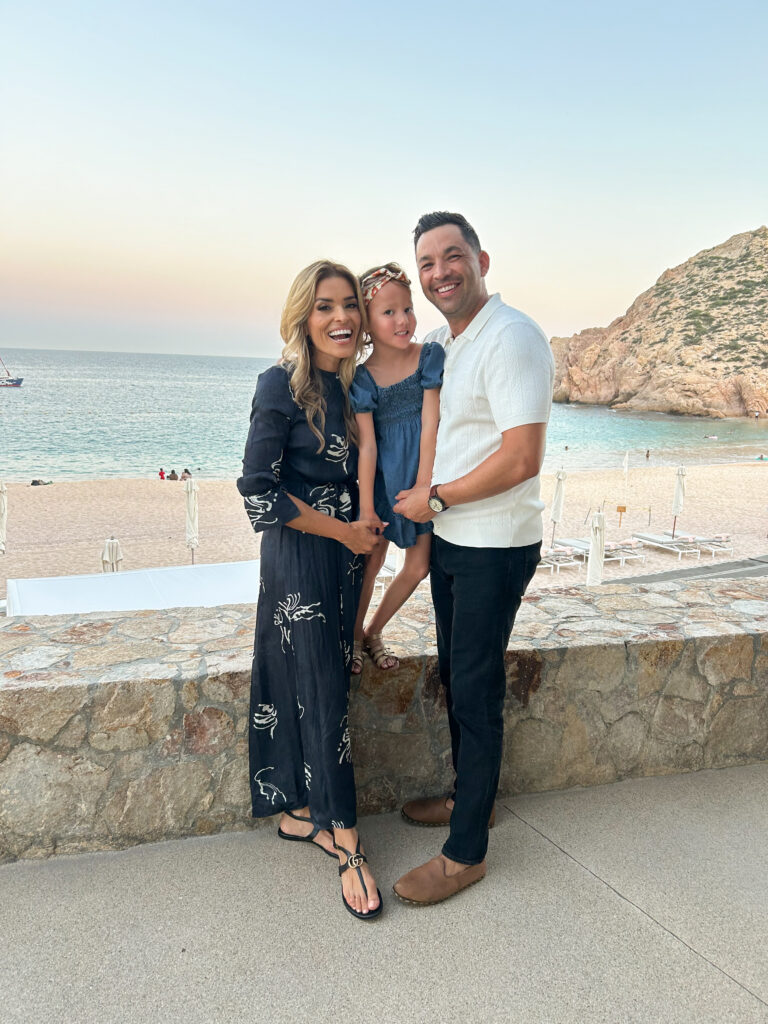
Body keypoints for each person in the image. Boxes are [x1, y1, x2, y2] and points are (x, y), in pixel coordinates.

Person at [391, 211, 555, 905]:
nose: (440, 273)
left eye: (452, 256)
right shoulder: (440, 343)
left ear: (481, 261)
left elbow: (521, 458)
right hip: (456, 539)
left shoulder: (512, 337)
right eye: (426, 264)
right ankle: (472, 801)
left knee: (476, 690)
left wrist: (435, 499)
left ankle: (465, 855)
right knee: (458, 681)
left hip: (496, 546)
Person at [236, 260, 383, 920]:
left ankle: (299, 813)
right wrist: (345, 533)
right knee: (319, 689)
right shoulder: (280, 384)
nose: (341, 317)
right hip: (301, 555)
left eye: (350, 304)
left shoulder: (355, 387)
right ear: (303, 316)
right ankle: (346, 840)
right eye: (325, 306)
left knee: (322, 682)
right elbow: (257, 491)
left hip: (345, 559)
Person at [348, 263, 444, 673]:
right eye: (388, 312)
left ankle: (374, 631)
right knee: (371, 565)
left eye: (407, 308)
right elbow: (367, 445)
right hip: (384, 482)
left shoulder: (428, 357)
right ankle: (355, 638)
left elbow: (431, 421)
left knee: (418, 567)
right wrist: (367, 508)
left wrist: (424, 485)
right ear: (367, 322)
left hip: (422, 480)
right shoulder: (361, 378)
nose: (403, 320)